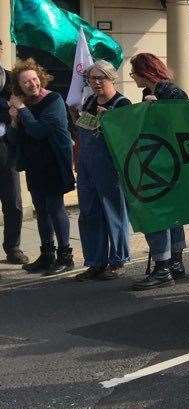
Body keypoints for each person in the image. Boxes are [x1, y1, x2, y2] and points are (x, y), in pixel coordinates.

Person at [128, 53, 189, 290]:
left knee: (158, 212)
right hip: (156, 160)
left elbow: (182, 123)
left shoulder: (172, 93)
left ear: (146, 72)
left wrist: (159, 110)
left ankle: (163, 267)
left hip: (168, 163)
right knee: (169, 213)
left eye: (134, 72)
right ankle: (174, 262)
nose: (132, 77)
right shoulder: (148, 93)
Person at [9, 59, 76, 276]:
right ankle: (47, 254)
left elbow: (39, 131)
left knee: (55, 208)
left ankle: (65, 256)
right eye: (26, 82)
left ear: (41, 78)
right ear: (19, 86)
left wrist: (21, 110)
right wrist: (13, 120)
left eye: (34, 79)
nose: (32, 84)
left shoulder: (53, 100)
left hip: (54, 163)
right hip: (34, 165)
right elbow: (14, 137)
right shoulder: (24, 105)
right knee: (41, 210)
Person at [73, 61, 133, 281]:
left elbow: (127, 137)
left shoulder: (122, 103)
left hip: (109, 167)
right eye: (92, 78)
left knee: (114, 214)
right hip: (87, 167)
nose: (96, 83)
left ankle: (118, 261)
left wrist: (110, 120)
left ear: (111, 78)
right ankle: (95, 262)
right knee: (89, 214)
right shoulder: (89, 101)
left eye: (101, 78)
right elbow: (83, 131)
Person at [0, 42, 26, 266]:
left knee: (13, 202)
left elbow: (22, 106)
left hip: (7, 149)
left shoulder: (10, 79)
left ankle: (13, 247)